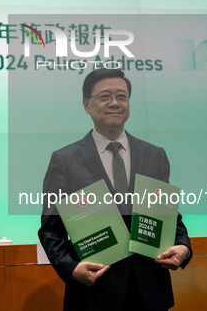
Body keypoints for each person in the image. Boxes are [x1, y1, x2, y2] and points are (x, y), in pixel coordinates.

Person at [38, 68, 192, 311]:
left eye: (122, 96)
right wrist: (71, 267)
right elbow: (50, 230)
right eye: (105, 96)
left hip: (150, 293)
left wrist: (183, 245)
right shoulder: (64, 160)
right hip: (94, 294)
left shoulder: (155, 156)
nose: (115, 103)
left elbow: (170, 216)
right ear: (86, 105)